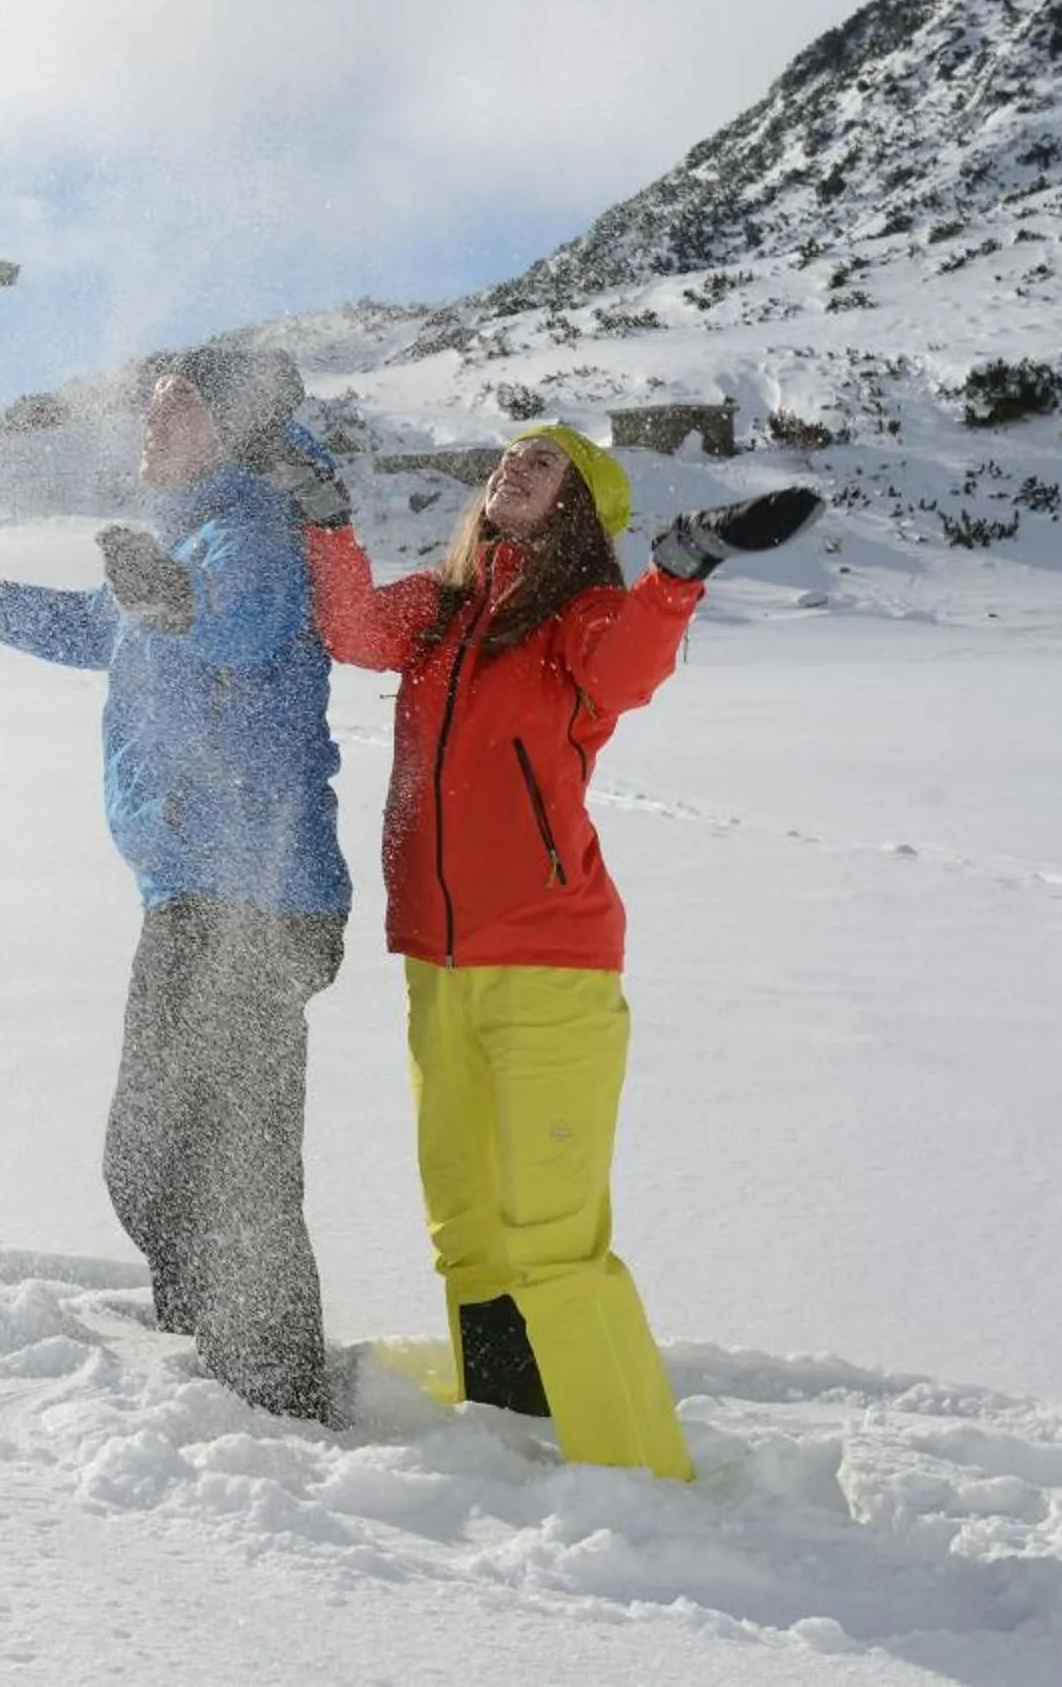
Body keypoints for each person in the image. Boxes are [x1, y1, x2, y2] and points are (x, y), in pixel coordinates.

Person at [281, 423, 818, 1479]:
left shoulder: (580, 618)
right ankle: (514, 1429)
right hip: (437, 965)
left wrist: (680, 567)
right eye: (508, 455)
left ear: (579, 504)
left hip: (550, 967)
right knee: (469, 1228)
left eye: (544, 462)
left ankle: (641, 1479)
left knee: (553, 1244)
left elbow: (629, 667)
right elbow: (349, 626)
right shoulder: (441, 610)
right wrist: (326, 516)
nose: (510, 468)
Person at [0, 338, 353, 1424]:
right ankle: (212, 1349)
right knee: (149, 1158)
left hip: (259, 899)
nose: (149, 420)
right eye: (148, 402)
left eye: (175, 404)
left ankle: (275, 1399)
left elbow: (238, 616)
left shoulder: (253, 540)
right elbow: (93, 625)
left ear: (229, 427)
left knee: (236, 1163)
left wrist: (176, 604)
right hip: (189, 894)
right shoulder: (187, 540)